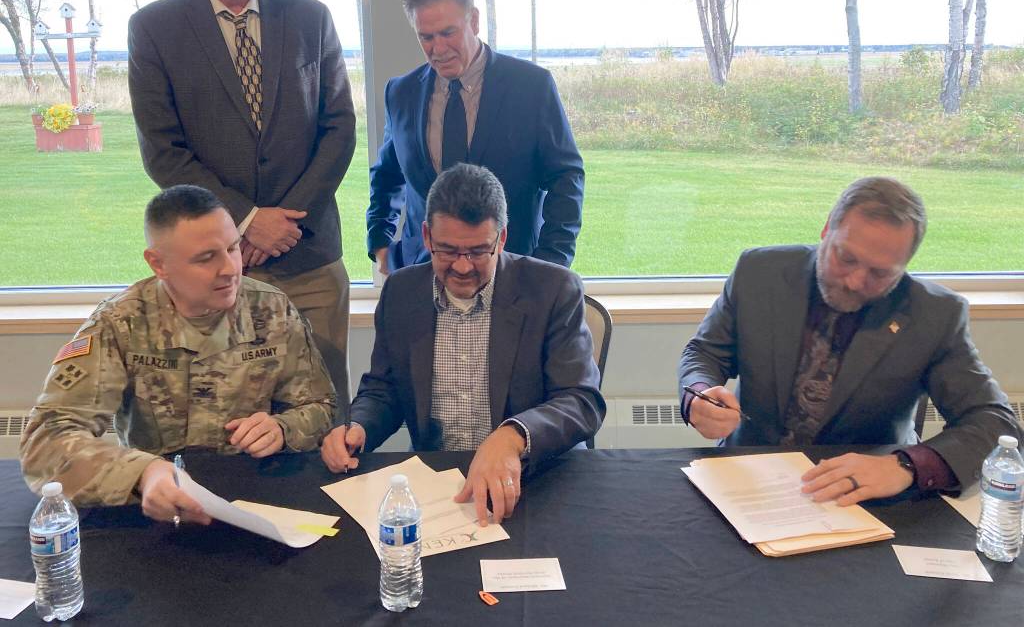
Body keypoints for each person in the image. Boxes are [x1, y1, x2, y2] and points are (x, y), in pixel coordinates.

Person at [127, 0, 356, 410]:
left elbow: (339, 128)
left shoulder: (310, 17)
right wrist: (248, 220)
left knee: (323, 408)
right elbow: (164, 151)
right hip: (214, 264)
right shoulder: (154, 28)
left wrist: (285, 223)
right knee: (229, 415)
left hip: (311, 257)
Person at [678, 176, 1018, 505]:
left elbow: (993, 421)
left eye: (880, 273)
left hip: (861, 496)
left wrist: (905, 466)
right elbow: (706, 352)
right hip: (749, 474)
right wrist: (699, 394)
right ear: (827, 230)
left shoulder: (935, 314)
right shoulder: (760, 271)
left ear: (905, 266)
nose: (855, 281)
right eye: (846, 258)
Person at [20, 185, 337, 522]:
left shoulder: (273, 310)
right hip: (154, 503)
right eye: (206, 258)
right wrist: (143, 473)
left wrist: (282, 428)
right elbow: (46, 440)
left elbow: (321, 407)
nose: (229, 269)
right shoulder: (121, 323)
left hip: (255, 499)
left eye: (232, 249)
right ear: (159, 264)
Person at [324, 163, 605, 523]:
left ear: (501, 239)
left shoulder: (552, 289)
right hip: (440, 483)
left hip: (535, 480)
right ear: (426, 237)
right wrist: (359, 427)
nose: (461, 267)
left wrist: (513, 435)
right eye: (447, 251)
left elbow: (581, 401)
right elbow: (385, 389)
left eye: (477, 252)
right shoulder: (402, 292)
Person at [366, 0, 584, 275]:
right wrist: (380, 242)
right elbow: (387, 175)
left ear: (475, 20)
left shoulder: (531, 86)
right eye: (426, 37)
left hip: (513, 272)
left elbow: (567, 177)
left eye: (448, 33)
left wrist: (552, 262)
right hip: (423, 271)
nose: (438, 49)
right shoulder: (401, 92)